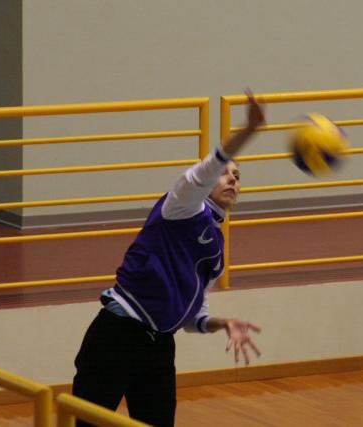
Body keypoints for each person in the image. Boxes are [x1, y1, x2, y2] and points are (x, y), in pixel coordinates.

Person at [72, 91, 266, 426]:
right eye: (225, 173)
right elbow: (201, 173)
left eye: (238, 176)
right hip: (119, 333)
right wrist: (247, 131)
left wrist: (222, 323)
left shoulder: (216, 247)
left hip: (160, 345)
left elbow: (193, 315)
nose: (233, 178)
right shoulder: (180, 206)